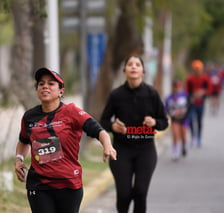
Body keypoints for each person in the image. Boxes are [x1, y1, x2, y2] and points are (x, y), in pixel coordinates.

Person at [14, 67, 117, 213]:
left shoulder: (71, 112)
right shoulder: (29, 117)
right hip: (39, 184)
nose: (45, 86)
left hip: (68, 184)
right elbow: (23, 141)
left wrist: (108, 146)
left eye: (51, 84)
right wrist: (19, 159)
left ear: (61, 91)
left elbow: (99, 131)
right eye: (41, 84)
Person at [100, 55, 169, 213]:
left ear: (143, 71)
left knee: (140, 192)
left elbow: (164, 121)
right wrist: (113, 126)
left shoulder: (151, 93)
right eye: (130, 64)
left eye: (137, 64)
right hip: (122, 150)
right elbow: (103, 121)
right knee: (124, 194)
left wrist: (154, 123)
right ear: (124, 70)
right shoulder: (116, 95)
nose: (133, 67)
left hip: (145, 149)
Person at [185, 59, 212, 147]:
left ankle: (199, 138)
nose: (197, 70)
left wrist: (203, 92)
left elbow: (209, 90)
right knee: (191, 120)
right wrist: (192, 95)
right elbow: (186, 91)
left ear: (201, 69)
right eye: (196, 69)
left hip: (201, 103)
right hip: (192, 103)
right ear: (193, 69)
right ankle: (193, 137)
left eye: (199, 69)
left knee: (199, 121)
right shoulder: (190, 79)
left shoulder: (205, 78)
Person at [165, 80, 189, 160]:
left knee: (183, 135)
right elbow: (166, 109)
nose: (177, 88)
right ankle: (175, 152)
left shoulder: (185, 95)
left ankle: (183, 146)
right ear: (173, 87)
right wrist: (172, 114)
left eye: (178, 86)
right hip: (175, 119)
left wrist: (184, 111)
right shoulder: (169, 97)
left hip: (184, 118)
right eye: (175, 87)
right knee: (175, 135)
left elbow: (189, 105)